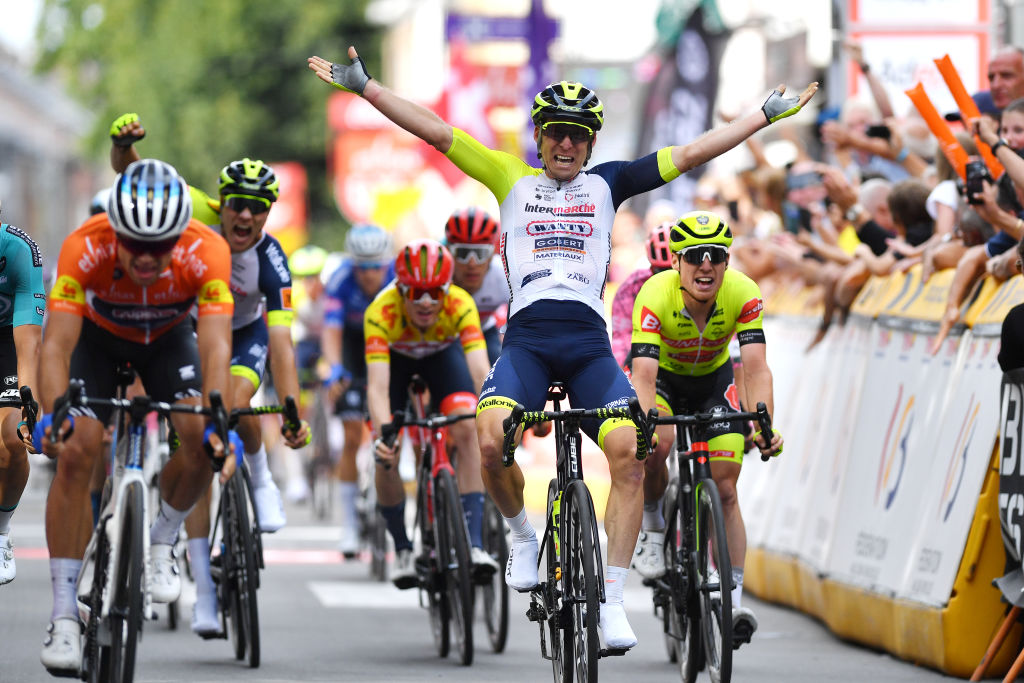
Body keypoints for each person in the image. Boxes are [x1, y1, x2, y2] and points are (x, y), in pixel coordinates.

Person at [308, 46, 812, 649]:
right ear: (539, 139)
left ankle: (613, 603)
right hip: (526, 345)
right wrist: (369, 90)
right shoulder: (509, 177)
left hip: (589, 348)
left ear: (591, 143)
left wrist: (762, 115)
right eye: (555, 135)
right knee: (489, 440)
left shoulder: (611, 182)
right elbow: (440, 133)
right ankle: (522, 536)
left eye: (577, 136)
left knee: (631, 452)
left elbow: (692, 153)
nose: (566, 146)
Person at [36, 159, 235, 675]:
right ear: (116, 231)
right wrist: (54, 412)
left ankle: (161, 540)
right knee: (77, 449)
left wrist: (217, 418)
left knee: (199, 440)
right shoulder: (85, 244)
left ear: (180, 236)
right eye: (135, 247)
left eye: (160, 248)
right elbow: (56, 345)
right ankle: (63, 615)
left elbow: (215, 345)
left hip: (168, 342)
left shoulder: (207, 249)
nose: (147, 259)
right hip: (96, 343)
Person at [629, 210, 783, 648]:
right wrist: (644, 425)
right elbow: (642, 375)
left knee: (727, 488)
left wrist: (763, 422)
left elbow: (755, 369)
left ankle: (732, 599)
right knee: (656, 444)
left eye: (716, 255)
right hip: (662, 381)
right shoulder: (654, 293)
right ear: (677, 261)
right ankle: (655, 525)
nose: (706, 265)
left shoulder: (743, 291)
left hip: (714, 383)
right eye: (695, 255)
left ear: (727, 261)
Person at [363, 239, 497, 587]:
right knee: (387, 455)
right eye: (417, 293)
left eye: (435, 293)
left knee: (468, 427)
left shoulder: (460, 303)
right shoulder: (381, 312)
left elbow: (481, 373)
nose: (425, 302)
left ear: (447, 290)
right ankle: (403, 547)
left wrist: (491, 417)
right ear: (401, 289)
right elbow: (377, 388)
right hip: (397, 362)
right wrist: (384, 434)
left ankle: (474, 542)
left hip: (442, 357)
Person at [322, 224, 394, 557]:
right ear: (353, 265)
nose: (369, 274)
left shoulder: (397, 276)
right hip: (353, 350)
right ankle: (349, 523)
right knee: (352, 437)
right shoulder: (340, 281)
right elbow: (332, 330)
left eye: (375, 265)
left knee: (393, 426)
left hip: (391, 346)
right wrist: (335, 367)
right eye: (362, 267)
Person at [0, 216, 44, 586]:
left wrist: (28, 409)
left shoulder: (18, 250)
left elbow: (28, 346)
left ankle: (0, 533)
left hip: (7, 344)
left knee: (10, 439)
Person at [443, 208, 507, 363]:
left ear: (492, 256)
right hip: (444, 337)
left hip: (484, 330)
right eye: (463, 254)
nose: (472, 263)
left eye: (480, 254)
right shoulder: (438, 274)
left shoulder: (504, 275)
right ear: (450, 254)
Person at [610, 222, 675, 366]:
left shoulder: (704, 284)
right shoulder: (631, 287)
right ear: (651, 265)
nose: (668, 279)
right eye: (661, 272)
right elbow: (622, 339)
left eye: (676, 273)